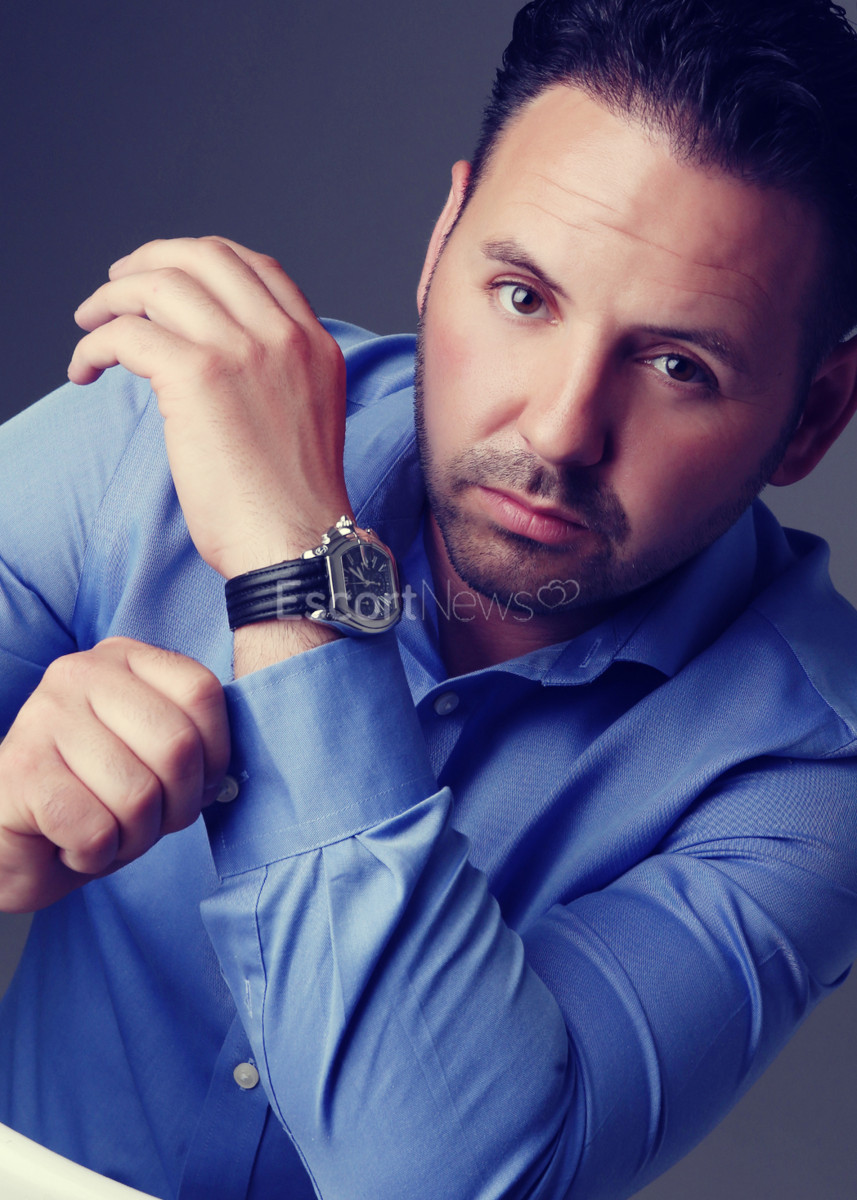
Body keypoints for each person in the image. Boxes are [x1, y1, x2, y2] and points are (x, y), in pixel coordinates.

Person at [2, 0, 857, 1196]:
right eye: (522, 297)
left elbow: (443, 1179)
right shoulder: (169, 418)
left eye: (678, 366)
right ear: (441, 239)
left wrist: (295, 568)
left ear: (812, 417)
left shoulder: (810, 776)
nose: (557, 430)